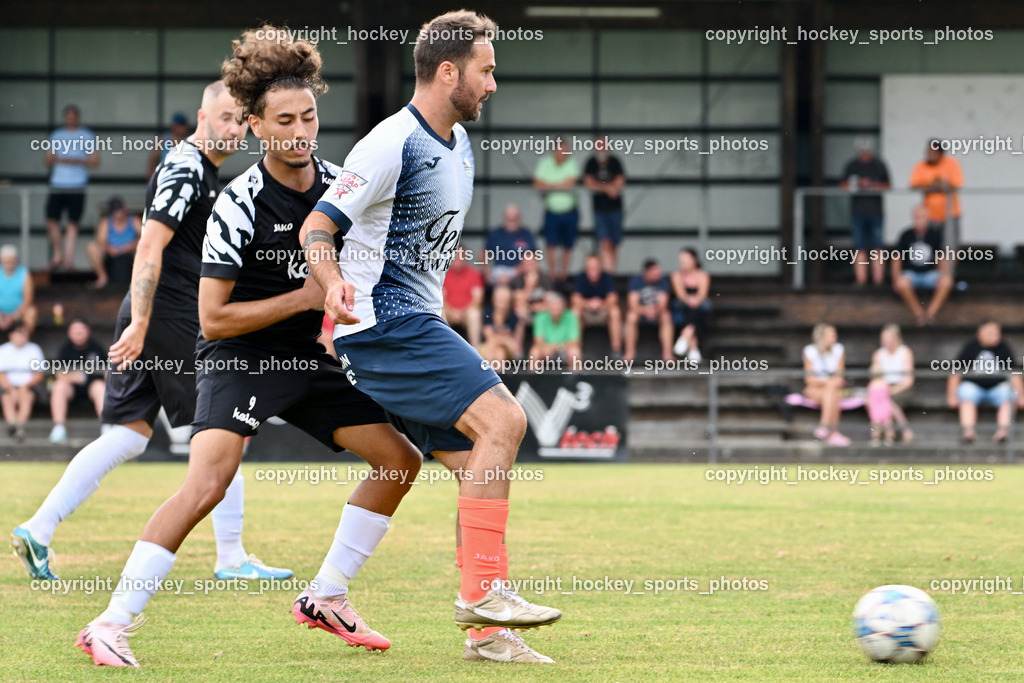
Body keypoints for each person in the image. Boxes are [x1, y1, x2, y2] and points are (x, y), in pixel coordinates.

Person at [74, 29, 423, 668]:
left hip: (309, 359)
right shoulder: (237, 202)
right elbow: (213, 319)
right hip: (240, 357)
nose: (299, 131)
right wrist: (306, 298)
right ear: (256, 125)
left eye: (309, 117)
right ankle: (111, 622)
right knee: (207, 484)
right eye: (282, 120)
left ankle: (326, 596)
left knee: (400, 462)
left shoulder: (344, 183)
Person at [300, 9, 559, 664]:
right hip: (386, 327)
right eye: (487, 69)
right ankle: (487, 595)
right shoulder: (390, 143)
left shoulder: (459, 146)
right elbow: (317, 228)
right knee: (505, 420)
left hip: (418, 322)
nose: (494, 83)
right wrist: (332, 284)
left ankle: (485, 633)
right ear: (449, 71)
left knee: (478, 466)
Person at [10, 82, 282, 588]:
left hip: (153, 316)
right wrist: (140, 321)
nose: (232, 128)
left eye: (240, 121)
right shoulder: (185, 167)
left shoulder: (202, 171)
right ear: (202, 115)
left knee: (127, 436)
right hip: (167, 317)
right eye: (224, 117)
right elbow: (148, 246)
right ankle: (231, 556)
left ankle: (37, 528)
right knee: (227, 423)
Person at [946, 321, 1024, 444]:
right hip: (974, 386)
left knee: (1009, 395)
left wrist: (1021, 396)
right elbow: (956, 372)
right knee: (966, 392)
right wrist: (951, 396)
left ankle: (1003, 433)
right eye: (993, 332)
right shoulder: (971, 347)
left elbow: (1014, 374)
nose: (996, 335)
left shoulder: (1003, 348)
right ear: (981, 333)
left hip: (998, 387)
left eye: (998, 332)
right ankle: (968, 432)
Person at [45, 104, 99, 271]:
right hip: (57, 183)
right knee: (51, 220)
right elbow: (48, 159)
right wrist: (62, 160)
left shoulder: (87, 135)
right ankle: (58, 254)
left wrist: (77, 160)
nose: (71, 119)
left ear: (78, 117)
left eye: (73, 116)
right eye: (68, 116)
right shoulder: (57, 135)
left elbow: (95, 160)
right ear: (65, 118)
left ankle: (67, 258)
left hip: (77, 184)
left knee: (72, 223)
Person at [891, 204, 954, 326]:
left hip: (930, 274)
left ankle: (930, 315)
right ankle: (919, 315)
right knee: (902, 282)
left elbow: (941, 257)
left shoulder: (934, 235)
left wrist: (943, 274)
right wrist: (895, 278)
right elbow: (896, 258)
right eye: (916, 217)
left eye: (922, 217)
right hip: (910, 274)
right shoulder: (906, 235)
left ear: (928, 218)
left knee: (947, 281)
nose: (919, 220)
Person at [840, 136, 890, 286]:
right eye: (861, 152)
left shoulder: (879, 165)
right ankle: (861, 280)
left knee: (877, 246)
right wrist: (858, 184)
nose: (864, 155)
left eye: (866, 152)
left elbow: (888, 185)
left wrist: (873, 186)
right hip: (858, 211)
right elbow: (842, 185)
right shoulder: (852, 165)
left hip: (875, 212)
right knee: (859, 246)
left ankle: (878, 281)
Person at [48, 318, 106, 444]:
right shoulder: (65, 350)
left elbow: (107, 372)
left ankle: (107, 426)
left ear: (88, 331)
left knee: (100, 387)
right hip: (72, 389)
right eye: (75, 332)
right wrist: (74, 377)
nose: (78, 335)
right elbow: (59, 374)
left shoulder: (96, 348)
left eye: (81, 331)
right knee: (59, 386)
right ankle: (59, 427)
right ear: (69, 333)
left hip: (92, 388)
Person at [534, 137, 579, 281]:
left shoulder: (572, 162)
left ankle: (564, 275)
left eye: (566, 150)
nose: (564, 153)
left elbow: (570, 184)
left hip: (570, 211)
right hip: (551, 212)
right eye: (561, 150)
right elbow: (538, 184)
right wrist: (559, 185)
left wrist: (550, 186)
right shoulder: (545, 163)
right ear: (554, 151)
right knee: (550, 244)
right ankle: (553, 275)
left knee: (568, 245)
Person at [802, 323, 850, 447]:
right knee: (833, 390)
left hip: (832, 389)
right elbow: (809, 379)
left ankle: (824, 426)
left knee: (833, 390)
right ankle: (833, 432)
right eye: (832, 335)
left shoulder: (839, 349)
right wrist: (827, 382)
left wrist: (828, 383)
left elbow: (839, 377)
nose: (835, 337)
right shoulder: (810, 351)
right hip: (816, 390)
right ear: (822, 336)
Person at [583, 135, 626, 273]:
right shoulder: (591, 163)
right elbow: (589, 183)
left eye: (603, 145)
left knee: (614, 243)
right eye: (599, 145)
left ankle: (611, 271)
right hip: (599, 209)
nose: (601, 148)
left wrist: (601, 186)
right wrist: (608, 187)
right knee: (604, 242)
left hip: (615, 209)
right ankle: (607, 271)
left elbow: (620, 182)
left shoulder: (615, 162)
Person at [867, 324, 914, 446]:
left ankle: (901, 431)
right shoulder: (878, 354)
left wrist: (892, 390)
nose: (887, 342)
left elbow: (909, 380)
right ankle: (880, 434)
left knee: (888, 402)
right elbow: (874, 377)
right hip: (882, 387)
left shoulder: (905, 352)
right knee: (875, 401)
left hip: (902, 388)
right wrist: (884, 389)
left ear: (896, 338)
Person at [0, 322, 44, 442]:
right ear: (11, 335)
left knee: (26, 396)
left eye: (25, 333)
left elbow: (39, 375)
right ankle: (14, 427)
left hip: (29, 386)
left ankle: (18, 428)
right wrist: (11, 389)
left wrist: (24, 387)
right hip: (8, 387)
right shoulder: (3, 350)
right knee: (7, 397)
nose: (22, 336)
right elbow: (1, 375)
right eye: (19, 333)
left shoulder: (34, 349)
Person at [571, 253, 621, 356]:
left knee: (615, 311)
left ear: (600, 268)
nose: (592, 271)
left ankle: (616, 350)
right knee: (574, 312)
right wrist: (589, 303)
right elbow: (575, 299)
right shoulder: (581, 277)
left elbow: (613, 299)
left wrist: (600, 304)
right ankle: (576, 350)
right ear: (586, 268)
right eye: (590, 268)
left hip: (603, 311)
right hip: (586, 312)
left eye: (595, 268)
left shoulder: (607, 277)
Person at [909, 139, 964, 235]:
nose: (931, 155)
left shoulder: (951, 163)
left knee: (951, 245)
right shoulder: (921, 165)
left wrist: (941, 185)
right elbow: (914, 185)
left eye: (934, 152)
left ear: (941, 153)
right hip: (930, 215)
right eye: (929, 152)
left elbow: (957, 184)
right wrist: (932, 185)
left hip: (951, 213)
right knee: (933, 245)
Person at [624, 259, 673, 363]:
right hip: (641, 312)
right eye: (655, 272)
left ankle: (667, 354)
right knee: (631, 316)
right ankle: (630, 353)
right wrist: (646, 311)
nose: (659, 274)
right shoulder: (636, 281)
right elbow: (633, 304)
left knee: (666, 316)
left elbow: (663, 303)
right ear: (647, 272)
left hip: (657, 312)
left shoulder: (663, 281)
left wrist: (655, 310)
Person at [86, 196, 141, 288]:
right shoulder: (106, 222)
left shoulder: (134, 220)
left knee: (142, 249)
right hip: (111, 254)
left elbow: (144, 237)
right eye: (116, 210)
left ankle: (138, 279)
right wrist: (109, 248)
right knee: (91, 247)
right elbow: (101, 241)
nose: (119, 213)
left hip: (131, 253)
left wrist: (132, 245)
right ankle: (102, 277)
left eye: (120, 209)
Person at [669, 248, 710, 364]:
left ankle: (685, 336)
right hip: (682, 307)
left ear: (694, 260)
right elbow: (681, 294)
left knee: (698, 309)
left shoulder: (703, 275)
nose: (684, 262)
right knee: (690, 310)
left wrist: (695, 300)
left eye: (686, 259)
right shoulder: (676, 275)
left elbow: (702, 294)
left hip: (698, 306)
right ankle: (693, 348)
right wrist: (690, 300)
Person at [483, 203, 536, 285]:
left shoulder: (526, 234)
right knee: (501, 279)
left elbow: (532, 258)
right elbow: (483, 254)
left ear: (519, 218)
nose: (512, 221)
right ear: (504, 218)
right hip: (499, 271)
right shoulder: (495, 234)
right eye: (509, 218)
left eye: (514, 218)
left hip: (521, 271)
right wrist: (487, 271)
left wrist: (516, 271)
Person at [442, 246, 484, 348]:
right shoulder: (443, 274)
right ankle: (443, 350)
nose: (458, 259)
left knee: (474, 314)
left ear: (465, 257)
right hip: (449, 312)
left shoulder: (474, 274)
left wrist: (462, 312)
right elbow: (441, 299)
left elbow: (478, 299)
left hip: (466, 312)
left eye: (461, 256)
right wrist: (453, 312)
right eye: (455, 256)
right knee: (440, 312)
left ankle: (476, 351)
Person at [530, 291, 581, 365]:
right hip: (546, 349)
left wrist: (555, 348)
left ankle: (576, 376)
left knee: (575, 353)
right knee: (534, 352)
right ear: (547, 306)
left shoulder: (571, 316)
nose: (555, 307)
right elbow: (538, 341)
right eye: (553, 304)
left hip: (564, 349)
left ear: (563, 305)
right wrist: (546, 348)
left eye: (558, 304)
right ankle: (532, 376)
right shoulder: (540, 317)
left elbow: (574, 341)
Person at [0, 245, 37, 333]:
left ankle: (23, 340)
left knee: (31, 313)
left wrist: (13, 317)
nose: (9, 264)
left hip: (19, 311)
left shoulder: (24, 274)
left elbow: (28, 300)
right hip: (1, 312)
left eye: (11, 261)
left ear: (16, 261)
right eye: (6, 262)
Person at [482, 285, 523, 364]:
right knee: (498, 351)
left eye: (504, 299)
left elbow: (515, 342)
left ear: (509, 300)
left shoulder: (514, 316)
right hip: (491, 346)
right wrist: (504, 338)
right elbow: (489, 335)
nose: (502, 301)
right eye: (499, 298)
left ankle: (491, 374)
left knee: (500, 352)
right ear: (494, 299)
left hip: (506, 347)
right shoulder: (488, 313)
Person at [146, 112, 190, 178]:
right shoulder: (163, 139)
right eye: (179, 125)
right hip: (165, 176)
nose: (182, 128)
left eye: (183, 125)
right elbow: (153, 159)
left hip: (182, 176)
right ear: (174, 126)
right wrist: (151, 177)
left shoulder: (189, 140)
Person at [511, 249, 551, 322]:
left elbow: (549, 300)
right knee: (520, 310)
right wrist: (529, 285)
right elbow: (519, 302)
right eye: (526, 264)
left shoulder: (545, 278)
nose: (529, 267)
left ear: (536, 263)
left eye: (531, 264)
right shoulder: (518, 279)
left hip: (542, 308)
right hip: (527, 309)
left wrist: (540, 307)